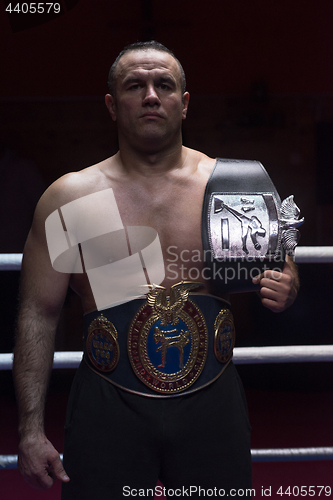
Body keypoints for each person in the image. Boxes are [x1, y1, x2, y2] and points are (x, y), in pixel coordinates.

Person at [13, 41, 299, 499]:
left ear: (183, 104)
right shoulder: (70, 197)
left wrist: (287, 284)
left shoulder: (231, 185)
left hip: (212, 404)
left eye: (164, 84)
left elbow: (279, 264)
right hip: (107, 406)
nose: (151, 95)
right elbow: (38, 313)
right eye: (135, 85)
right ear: (112, 105)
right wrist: (29, 429)